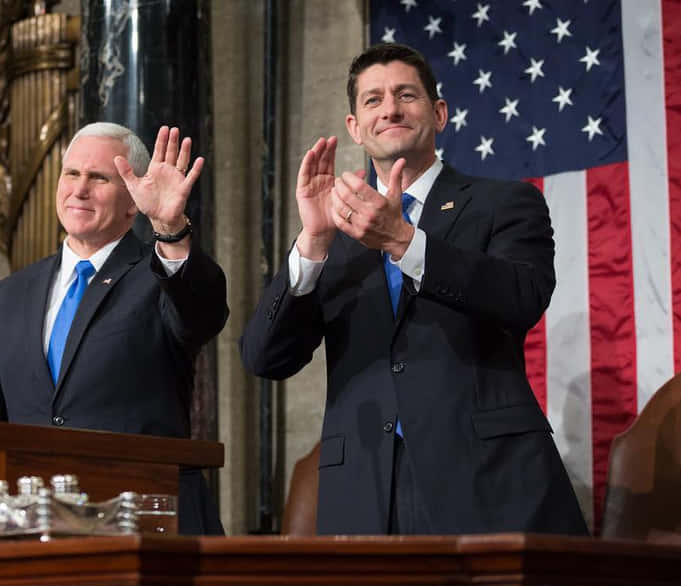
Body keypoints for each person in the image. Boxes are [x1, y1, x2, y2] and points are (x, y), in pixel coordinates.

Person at [240, 43, 588, 536]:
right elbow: (264, 359)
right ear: (355, 127)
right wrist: (313, 242)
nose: (391, 109)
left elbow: (521, 296)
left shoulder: (505, 203)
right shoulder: (333, 233)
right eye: (373, 100)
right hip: (364, 487)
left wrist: (404, 241)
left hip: (486, 479)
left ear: (439, 113)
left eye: (406, 95)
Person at [0, 122, 227, 535]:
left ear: (133, 200)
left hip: (144, 523)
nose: (79, 189)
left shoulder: (159, 275)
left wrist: (171, 229)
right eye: (71, 174)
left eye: (99, 178)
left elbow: (203, 316)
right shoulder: (9, 295)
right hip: (35, 535)